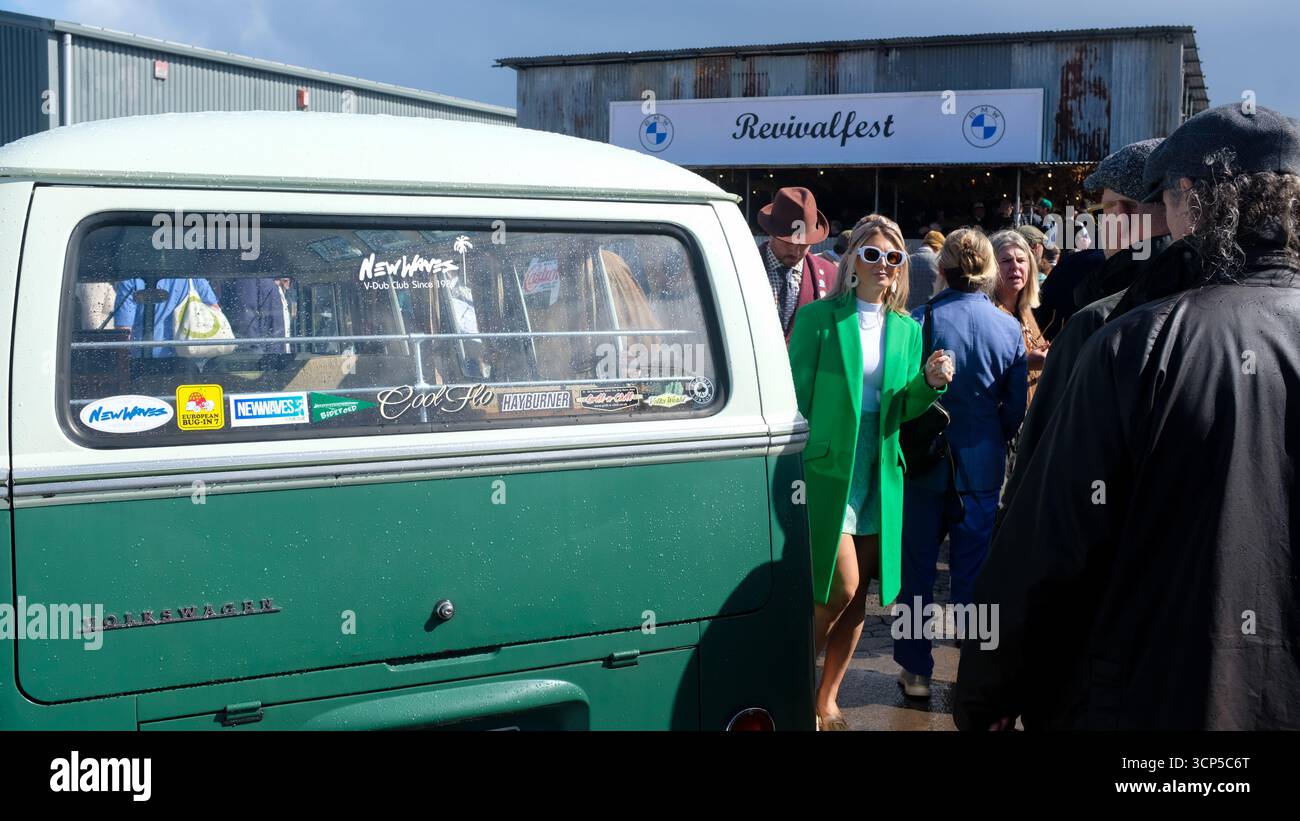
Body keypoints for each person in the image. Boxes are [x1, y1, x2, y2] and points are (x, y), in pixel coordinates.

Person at [955, 103, 1300, 730]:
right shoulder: (1128, 332)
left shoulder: (1136, 342)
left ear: (1191, 196)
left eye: (1164, 197)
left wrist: (988, 688)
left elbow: (1051, 542)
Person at [788, 214, 953, 728]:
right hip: (826, 466)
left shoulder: (907, 328)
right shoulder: (818, 319)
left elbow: (903, 408)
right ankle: (787, 675)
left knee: (859, 596)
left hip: (880, 468)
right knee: (838, 584)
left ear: (902, 267)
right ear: (853, 259)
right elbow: (794, 394)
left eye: (894, 258)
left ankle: (827, 697)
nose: (884, 266)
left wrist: (930, 382)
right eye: (873, 255)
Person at [999, 138, 1172, 522]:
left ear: (1124, 214)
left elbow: (1045, 464)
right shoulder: (1234, 305)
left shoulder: (1099, 321)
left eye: (1102, 210)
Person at [894, 229, 1026, 698]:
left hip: (925, 467)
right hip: (982, 468)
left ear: (941, 269)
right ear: (989, 271)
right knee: (972, 575)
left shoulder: (920, 320)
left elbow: (904, 397)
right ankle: (972, 668)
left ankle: (916, 672)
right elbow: (1014, 411)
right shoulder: (1009, 328)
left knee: (917, 573)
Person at [757, 187, 838, 343]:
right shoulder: (741, 268)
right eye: (787, 243)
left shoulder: (830, 275)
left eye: (804, 244)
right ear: (771, 232)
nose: (795, 250)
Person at [990, 230, 1049, 407]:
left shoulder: (1025, 310)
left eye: (1021, 260)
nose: (1015, 266)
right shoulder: (988, 313)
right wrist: (1026, 362)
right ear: (991, 267)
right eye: (1006, 261)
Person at [113, 277, 222, 358]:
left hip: (144, 358)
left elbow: (124, 331)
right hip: (186, 354)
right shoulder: (192, 277)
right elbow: (214, 310)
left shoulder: (130, 280)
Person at [907, 230, 943, 310]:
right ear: (937, 246)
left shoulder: (907, 261)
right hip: (931, 313)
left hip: (908, 314)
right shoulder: (939, 262)